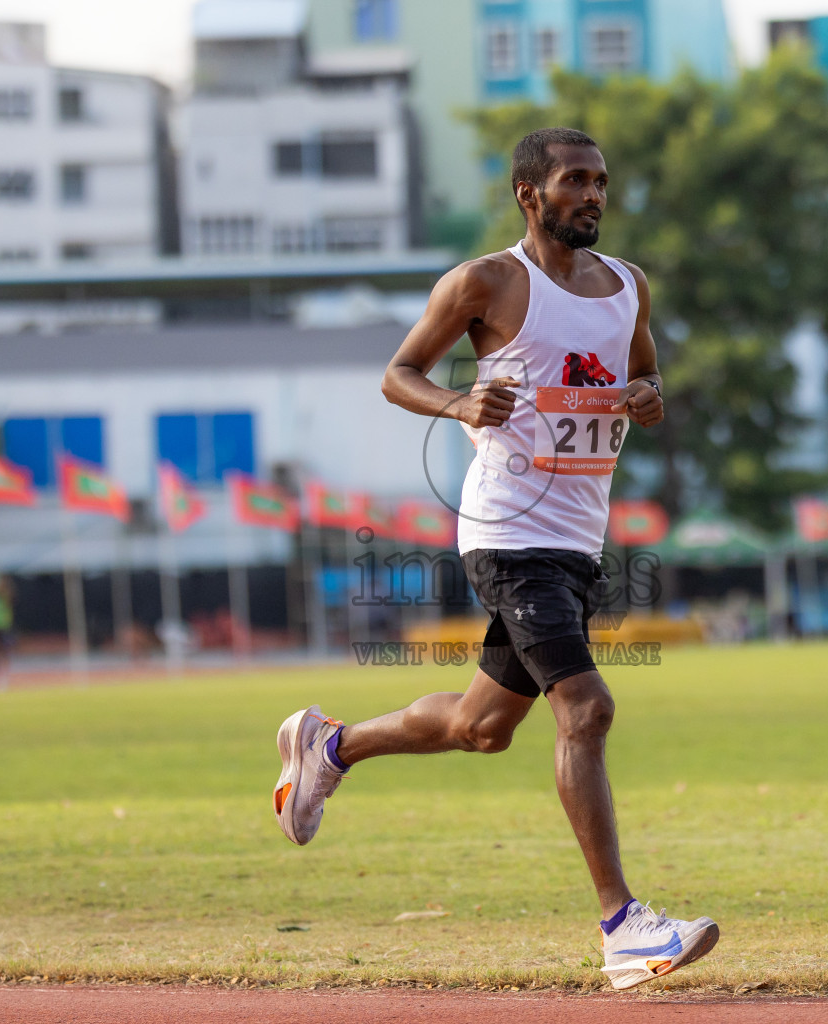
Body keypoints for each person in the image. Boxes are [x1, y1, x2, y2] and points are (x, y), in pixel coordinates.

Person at [272, 128, 719, 990]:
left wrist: (649, 399)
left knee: (481, 728)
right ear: (530, 193)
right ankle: (624, 928)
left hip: (577, 541)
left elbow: (648, 378)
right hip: (508, 533)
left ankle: (330, 746)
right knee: (585, 710)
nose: (592, 194)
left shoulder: (628, 285)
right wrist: (458, 401)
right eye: (574, 181)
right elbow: (399, 372)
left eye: (600, 180)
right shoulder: (487, 282)